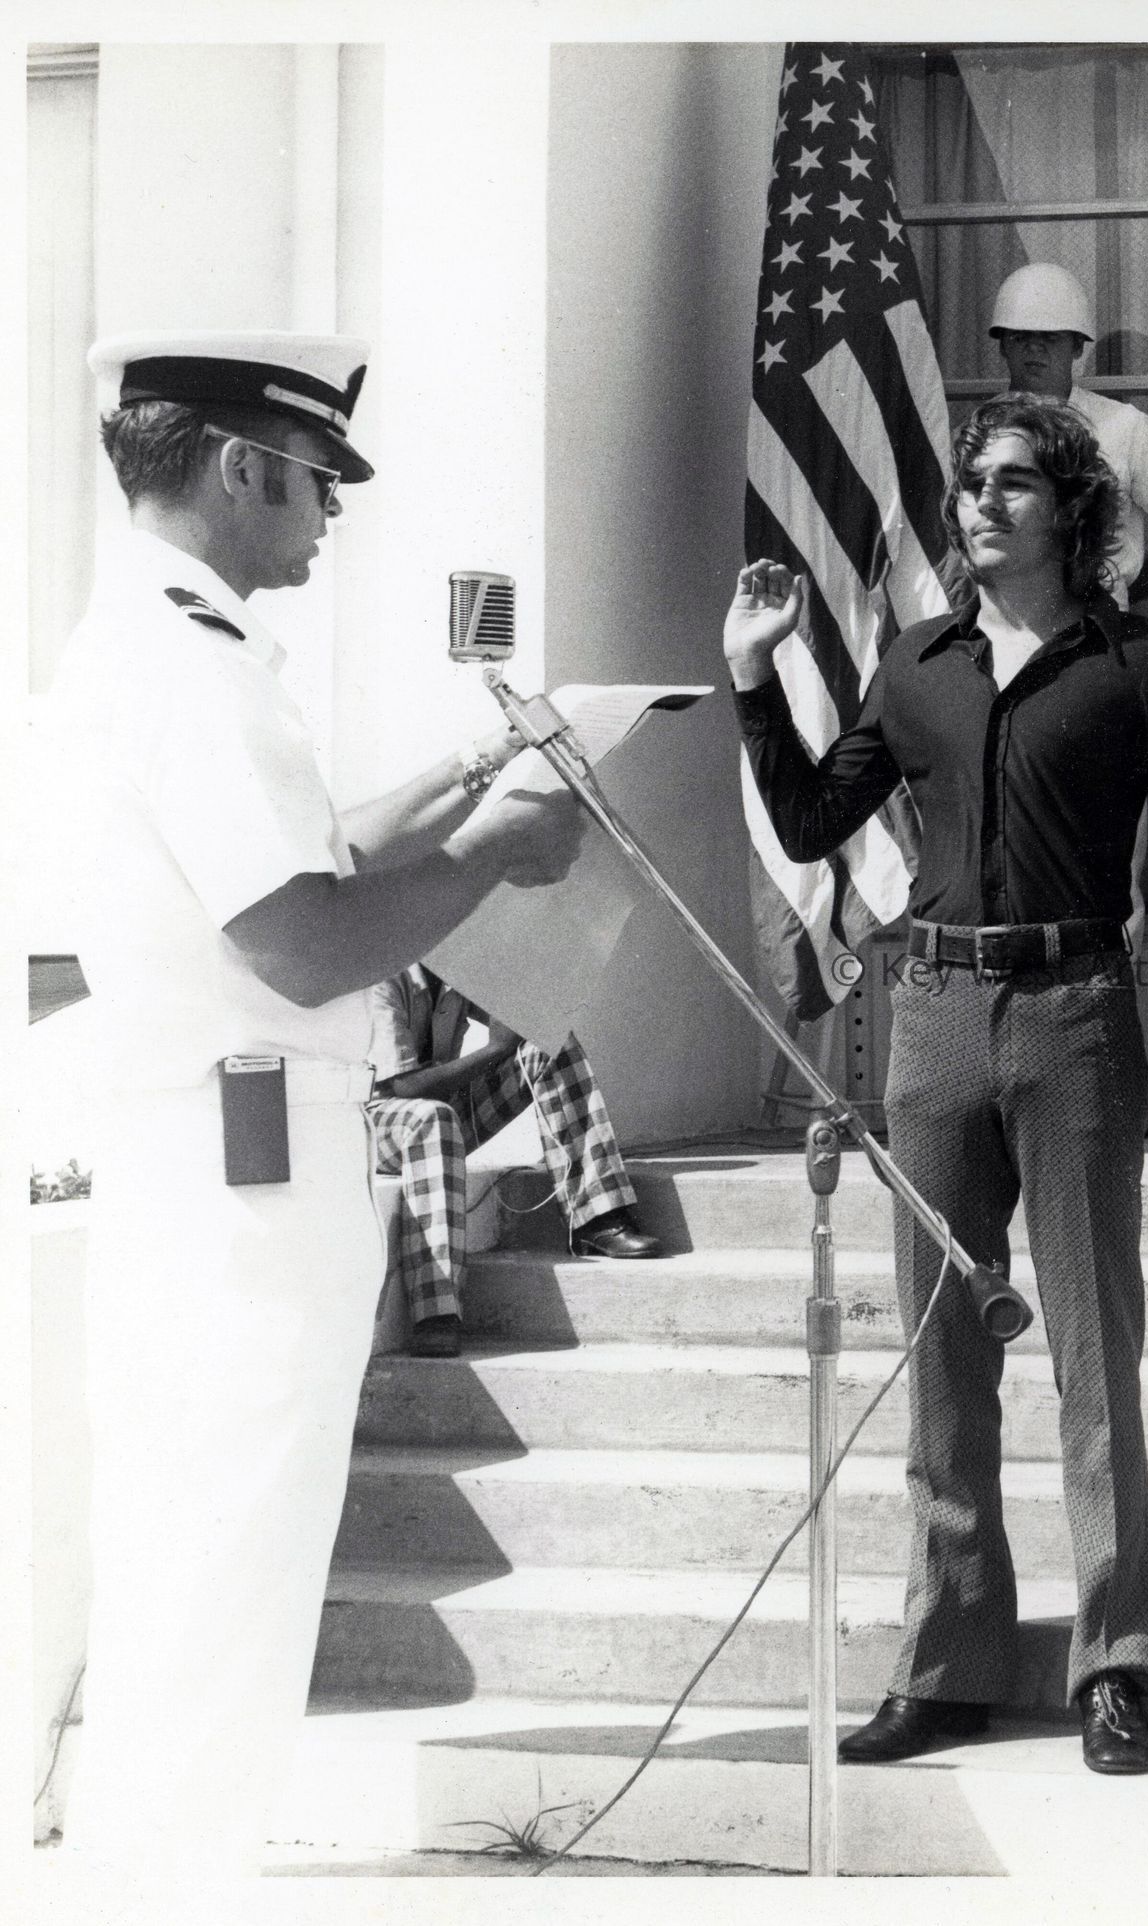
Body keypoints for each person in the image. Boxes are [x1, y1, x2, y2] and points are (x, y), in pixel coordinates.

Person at [50, 330, 585, 1868]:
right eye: (317, 477)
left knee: (200, 1609)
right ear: (240, 468)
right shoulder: (194, 666)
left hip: (213, 1184)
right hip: (241, 1196)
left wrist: (475, 767)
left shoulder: (152, 642)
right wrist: (494, 851)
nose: (334, 511)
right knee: (218, 1620)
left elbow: (312, 849)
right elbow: (298, 939)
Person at [726, 394, 1148, 1774]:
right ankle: (948, 1663)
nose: (982, 503)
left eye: (1013, 482)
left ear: (1073, 508)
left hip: (1078, 1020)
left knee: (1093, 1357)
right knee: (943, 1355)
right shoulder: (919, 663)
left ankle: (1116, 1665)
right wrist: (755, 678)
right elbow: (811, 821)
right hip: (934, 1019)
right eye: (970, 484)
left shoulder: (1138, 661)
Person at [367, 965, 663, 1359]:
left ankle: (596, 1218)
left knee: (549, 1044)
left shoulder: (456, 970)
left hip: (440, 1121)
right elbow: (402, 1087)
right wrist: (494, 1050)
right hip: (376, 1124)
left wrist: (524, 996)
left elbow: (521, 1022)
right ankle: (435, 1314)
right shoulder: (385, 977)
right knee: (432, 1116)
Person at [987, 262, 1148, 608]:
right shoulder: (980, 433)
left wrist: (1122, 590)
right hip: (1007, 616)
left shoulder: (1126, 427)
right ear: (1002, 345)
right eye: (1021, 337)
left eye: (1051, 337)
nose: (1035, 348)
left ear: (1077, 346)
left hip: (1097, 617)